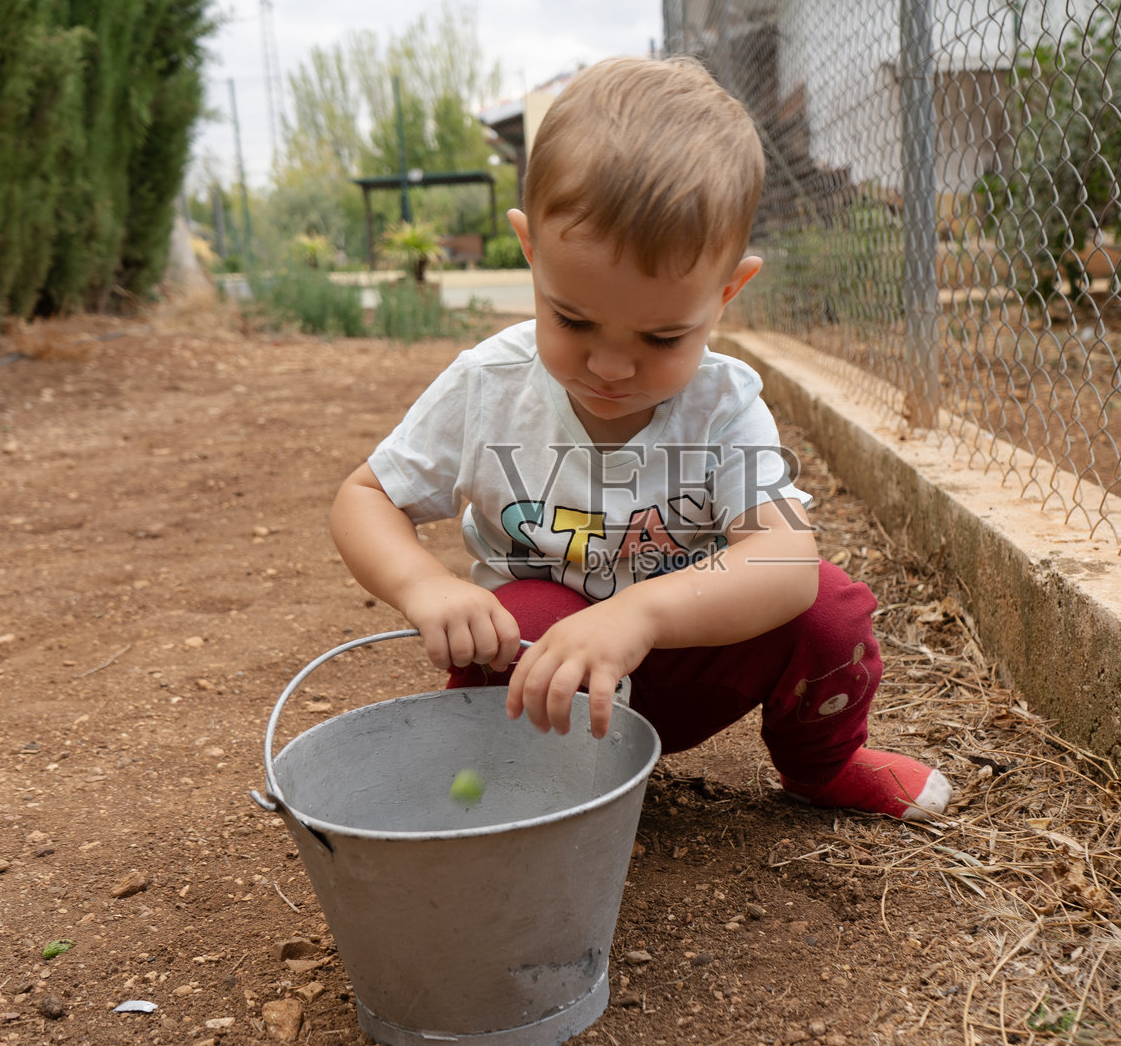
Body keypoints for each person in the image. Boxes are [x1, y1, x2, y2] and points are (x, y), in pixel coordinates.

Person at [330, 56, 951, 821]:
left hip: (690, 661)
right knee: (515, 616)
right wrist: (425, 586)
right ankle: (517, 785)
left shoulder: (724, 402)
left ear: (728, 293)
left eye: (662, 335)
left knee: (828, 609)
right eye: (574, 320)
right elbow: (365, 497)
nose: (612, 365)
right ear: (531, 251)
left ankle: (823, 766)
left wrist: (641, 614)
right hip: (544, 676)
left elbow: (786, 560)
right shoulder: (489, 384)